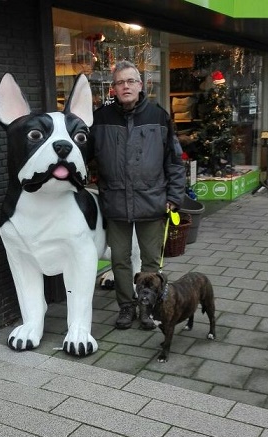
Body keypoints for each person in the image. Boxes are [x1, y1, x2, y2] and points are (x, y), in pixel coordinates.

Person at [89, 60, 186, 330]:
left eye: (131, 81)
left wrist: (174, 197)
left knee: (150, 261)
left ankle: (148, 308)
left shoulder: (158, 116)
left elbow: (174, 161)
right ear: (113, 89)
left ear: (141, 85)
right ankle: (126, 306)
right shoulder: (101, 119)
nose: (126, 86)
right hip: (115, 201)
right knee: (119, 259)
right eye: (120, 82)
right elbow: (87, 155)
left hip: (152, 201)